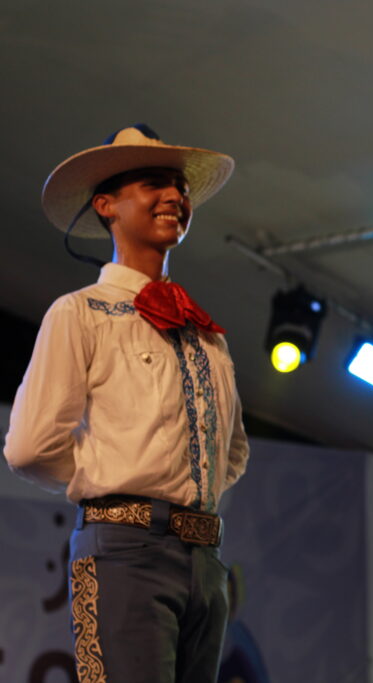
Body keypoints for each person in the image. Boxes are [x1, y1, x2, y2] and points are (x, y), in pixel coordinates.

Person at [4, 124, 248, 683]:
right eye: (153, 182)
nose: (174, 195)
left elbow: (231, 453)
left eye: (179, 186)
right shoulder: (81, 313)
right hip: (125, 550)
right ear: (106, 205)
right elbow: (29, 446)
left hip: (204, 558)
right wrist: (112, 479)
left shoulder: (207, 335)